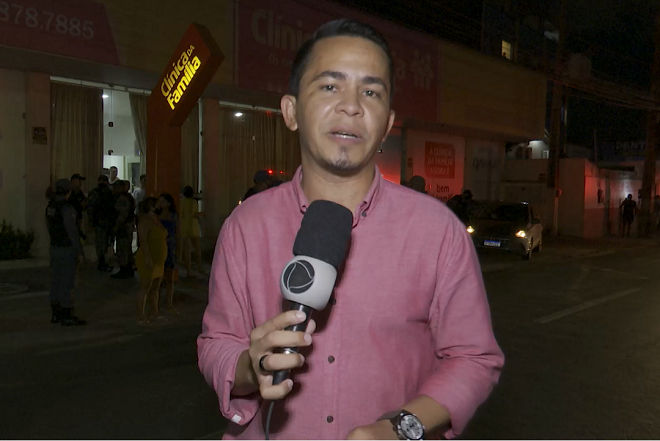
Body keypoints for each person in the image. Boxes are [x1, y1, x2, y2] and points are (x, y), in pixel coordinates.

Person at [197, 19, 503, 440]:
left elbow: (473, 359)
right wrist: (251, 365)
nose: (352, 106)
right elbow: (216, 343)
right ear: (290, 111)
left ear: (388, 122)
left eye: (370, 92)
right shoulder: (245, 226)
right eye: (329, 86)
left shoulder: (438, 232)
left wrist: (400, 429)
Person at [46, 178, 86, 326]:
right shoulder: (67, 209)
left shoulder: (50, 206)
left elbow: (49, 227)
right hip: (66, 249)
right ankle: (66, 314)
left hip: (54, 247)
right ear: (68, 192)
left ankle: (56, 313)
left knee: (55, 280)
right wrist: (79, 252)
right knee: (67, 282)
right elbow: (72, 233)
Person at [135, 197, 168, 325]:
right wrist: (148, 258)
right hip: (148, 259)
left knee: (155, 288)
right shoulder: (145, 221)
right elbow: (143, 241)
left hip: (159, 260)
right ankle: (140, 315)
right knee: (145, 287)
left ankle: (154, 312)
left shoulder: (156, 219)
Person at [87, 175, 115, 272]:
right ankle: (101, 262)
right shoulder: (103, 193)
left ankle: (102, 261)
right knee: (101, 243)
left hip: (103, 222)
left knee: (103, 242)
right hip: (101, 222)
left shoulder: (102, 193)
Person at [157, 193, 179, 314]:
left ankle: (169, 304)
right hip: (159, 247)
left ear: (169, 203)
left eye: (163, 201)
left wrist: (178, 250)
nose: (161, 204)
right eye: (160, 201)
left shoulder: (173, 216)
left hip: (170, 247)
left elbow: (177, 232)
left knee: (169, 278)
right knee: (157, 279)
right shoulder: (156, 215)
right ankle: (156, 305)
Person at [112, 180, 136, 279]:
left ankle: (124, 269)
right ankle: (128, 269)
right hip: (128, 226)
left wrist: (116, 226)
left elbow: (122, 214)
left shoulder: (122, 199)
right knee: (127, 248)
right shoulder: (128, 197)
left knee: (122, 249)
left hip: (124, 227)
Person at [180, 186, 204, 277]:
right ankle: (199, 267)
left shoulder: (181, 202)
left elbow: (181, 214)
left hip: (184, 226)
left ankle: (188, 270)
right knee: (197, 248)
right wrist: (202, 214)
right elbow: (194, 214)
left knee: (187, 250)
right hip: (193, 226)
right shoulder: (194, 202)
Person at [69, 174, 87, 240]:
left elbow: (84, 205)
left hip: (78, 218)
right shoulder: (69, 192)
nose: (81, 183)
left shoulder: (79, 193)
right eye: (79, 181)